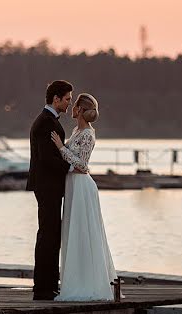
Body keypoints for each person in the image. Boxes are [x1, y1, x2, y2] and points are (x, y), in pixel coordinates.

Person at [50, 93, 117, 300]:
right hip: (72, 185)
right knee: (73, 232)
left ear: (79, 109)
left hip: (81, 187)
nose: (71, 106)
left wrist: (61, 147)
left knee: (84, 232)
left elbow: (82, 165)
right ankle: (74, 280)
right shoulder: (77, 130)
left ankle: (88, 283)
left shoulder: (88, 134)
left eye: (74, 104)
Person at [27, 80, 76, 301]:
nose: (69, 103)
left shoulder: (46, 121)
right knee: (48, 235)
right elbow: (46, 158)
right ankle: (43, 288)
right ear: (55, 99)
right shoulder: (46, 123)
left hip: (48, 185)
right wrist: (71, 166)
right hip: (47, 186)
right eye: (67, 99)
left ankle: (48, 285)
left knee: (50, 234)